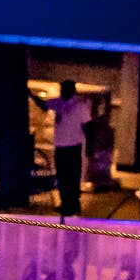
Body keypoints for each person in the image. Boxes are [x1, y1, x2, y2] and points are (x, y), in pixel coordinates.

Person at [47, 81, 95, 218]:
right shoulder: (58, 103)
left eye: (65, 89)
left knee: (72, 177)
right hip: (60, 146)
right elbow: (44, 104)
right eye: (62, 89)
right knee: (62, 177)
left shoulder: (80, 106)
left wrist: (89, 147)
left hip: (73, 147)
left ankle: (73, 205)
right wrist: (31, 96)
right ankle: (65, 203)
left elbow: (88, 127)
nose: (62, 91)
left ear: (72, 90)